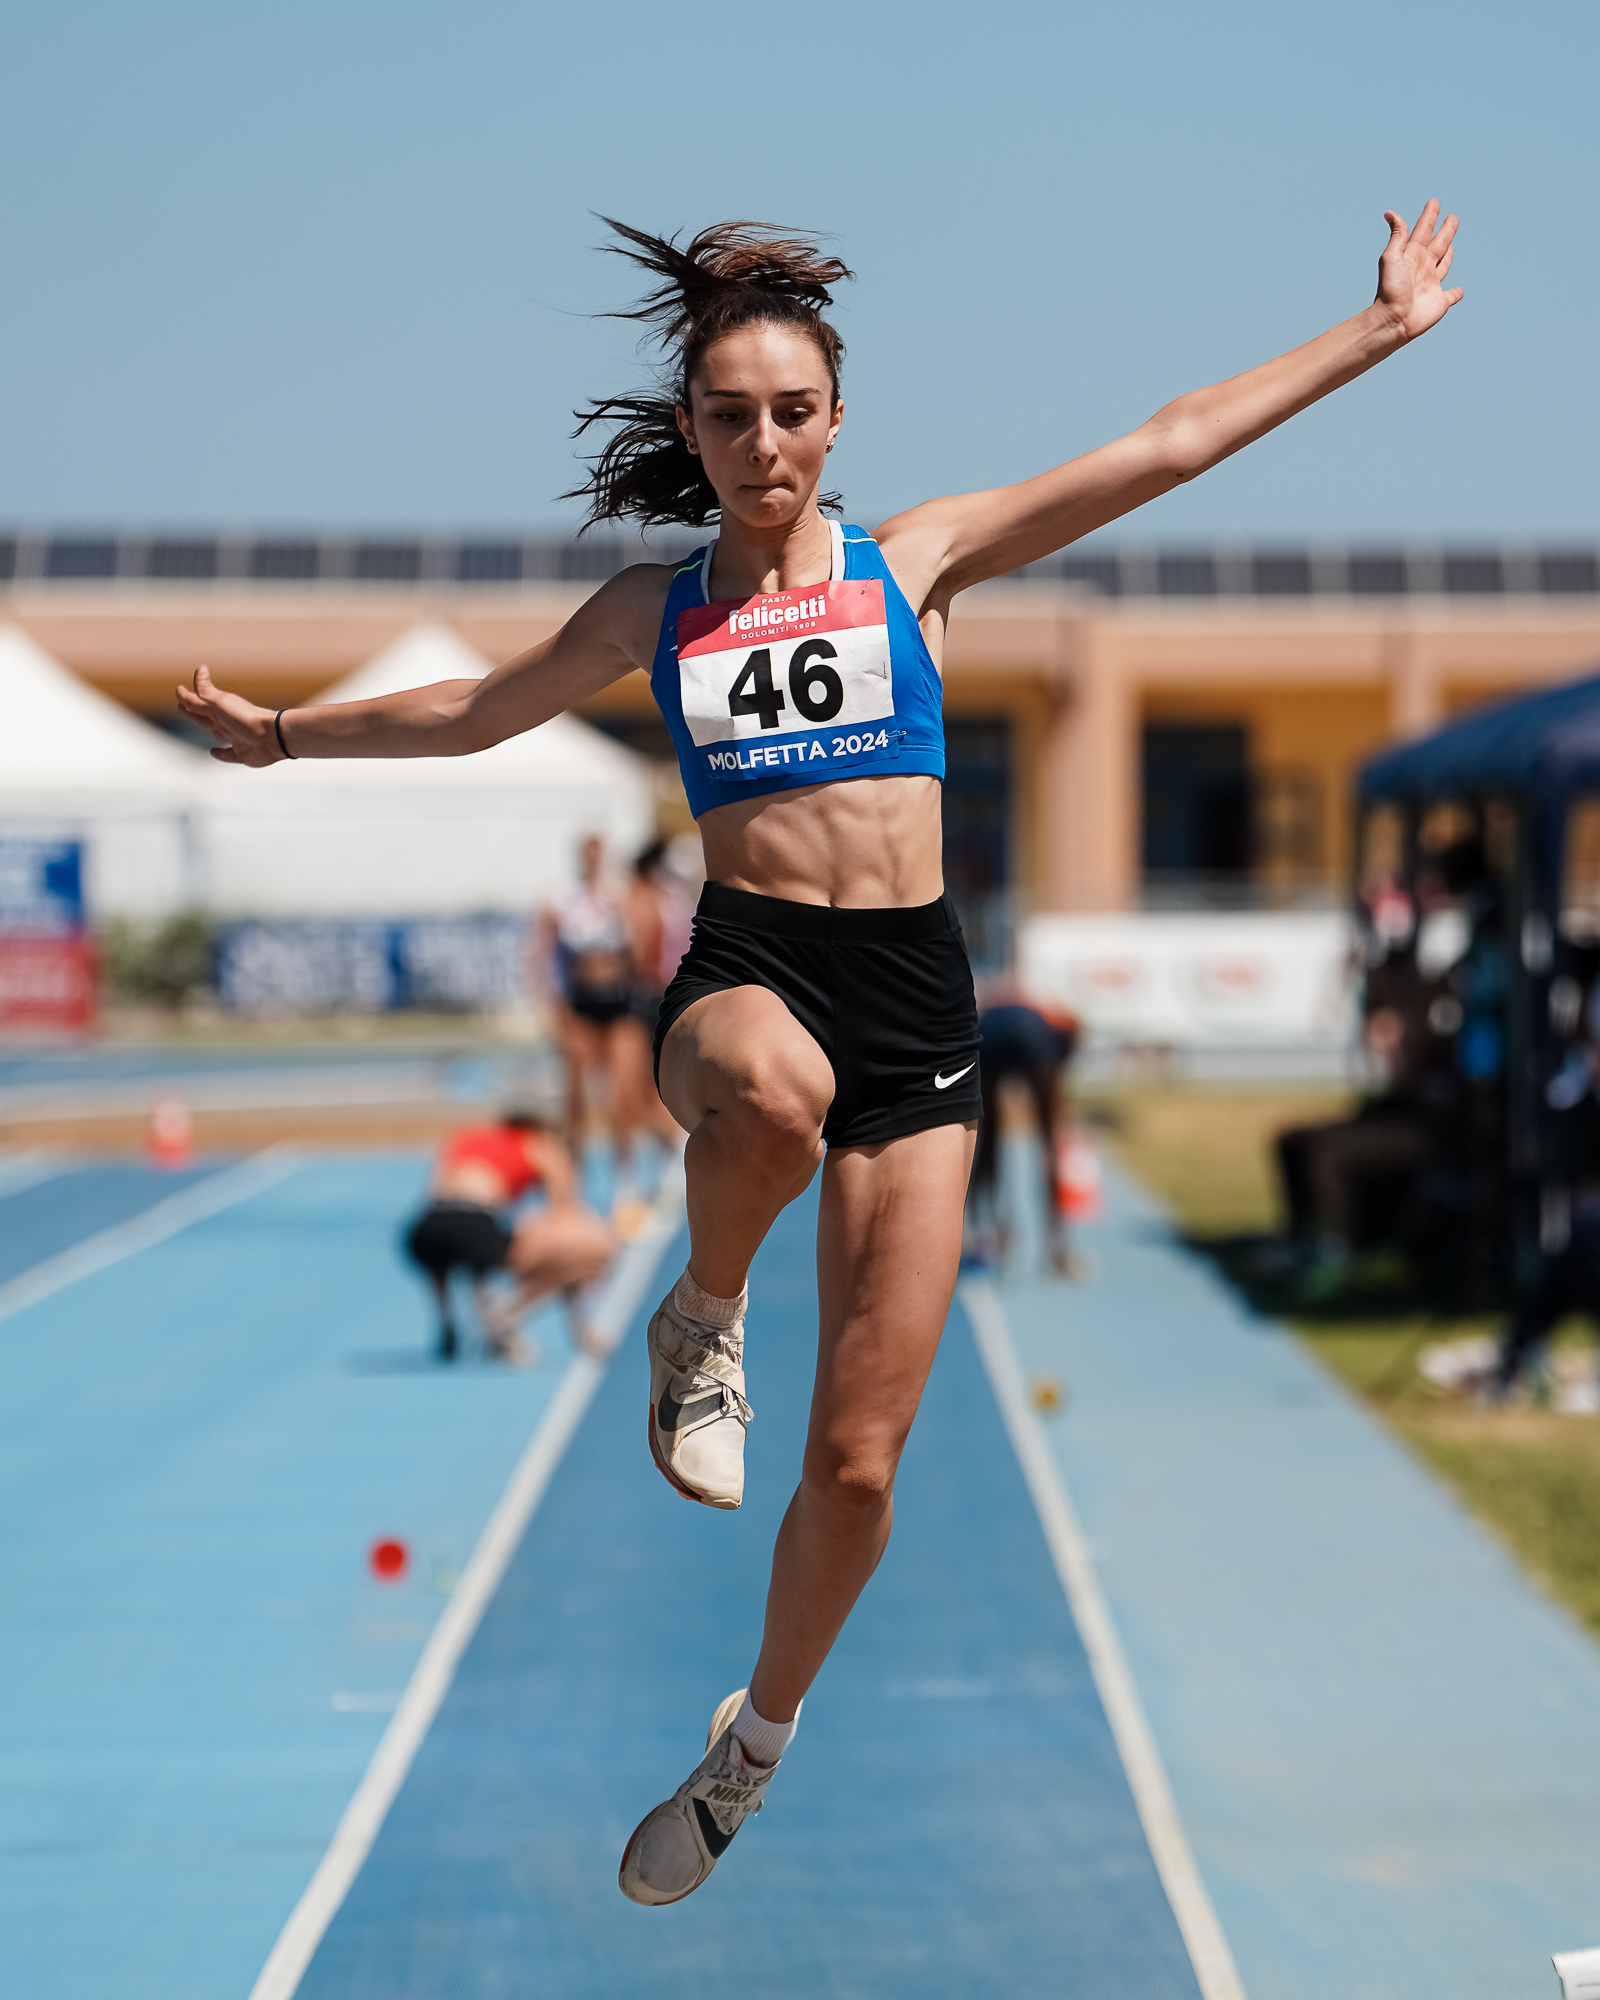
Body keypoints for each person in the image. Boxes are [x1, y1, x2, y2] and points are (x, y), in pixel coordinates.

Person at [176, 201, 1463, 1904]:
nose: (764, 443)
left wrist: (1372, 332)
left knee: (856, 1466)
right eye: (732, 416)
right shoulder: (655, 610)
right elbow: (475, 709)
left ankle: (753, 1746)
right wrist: (282, 735)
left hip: (916, 1003)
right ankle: (701, 1316)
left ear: (836, 420)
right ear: (693, 430)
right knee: (772, 1100)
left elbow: (1161, 446)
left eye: (792, 413)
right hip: (749, 971)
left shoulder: (913, 562)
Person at [403, 1110, 614, 1362]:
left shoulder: (468, 1138)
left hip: (425, 1229)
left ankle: (449, 1322)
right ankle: (508, 1312)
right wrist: (580, 1329)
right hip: (476, 1222)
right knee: (594, 1248)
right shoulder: (539, 1144)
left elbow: (438, 1198)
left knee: (464, 1247)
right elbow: (566, 1214)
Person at [538, 834, 653, 1222]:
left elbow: (640, 950)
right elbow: (543, 956)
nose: (592, 859)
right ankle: (572, 1193)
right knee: (576, 1103)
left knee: (622, 1098)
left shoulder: (620, 896)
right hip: (580, 1004)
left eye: (598, 852)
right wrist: (549, 1008)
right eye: (587, 852)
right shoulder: (560, 898)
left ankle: (626, 1186)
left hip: (618, 1001)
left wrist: (626, 917)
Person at [966, 996, 1080, 1274]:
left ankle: (982, 1235)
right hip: (1026, 1038)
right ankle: (1057, 1248)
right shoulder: (1058, 1030)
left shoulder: (1007, 1013)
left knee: (987, 1144)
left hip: (991, 1038)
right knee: (1048, 1143)